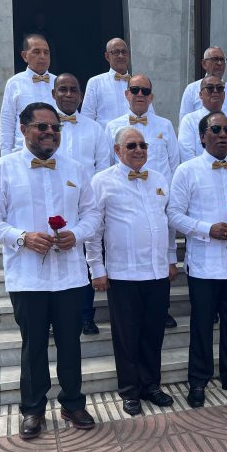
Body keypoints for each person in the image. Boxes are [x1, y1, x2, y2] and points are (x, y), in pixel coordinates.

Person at [0, 102, 100, 439]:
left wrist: (78, 233)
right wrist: (22, 237)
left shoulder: (76, 169)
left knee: (71, 344)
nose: (49, 133)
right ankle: (33, 409)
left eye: (55, 128)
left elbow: (92, 214)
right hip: (27, 277)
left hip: (70, 276)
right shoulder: (3, 169)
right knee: (33, 346)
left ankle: (73, 402)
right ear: (23, 129)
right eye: (42, 127)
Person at [167, 112, 227, 408]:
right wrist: (206, 229)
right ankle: (198, 380)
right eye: (216, 129)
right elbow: (173, 215)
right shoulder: (187, 171)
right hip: (205, 265)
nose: (223, 134)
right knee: (202, 324)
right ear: (202, 136)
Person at [86, 127, 177, 416]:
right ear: (117, 151)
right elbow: (93, 230)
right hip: (123, 274)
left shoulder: (160, 179)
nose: (139, 150)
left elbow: (168, 224)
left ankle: (151, 385)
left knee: (153, 334)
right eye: (131, 145)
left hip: (157, 273)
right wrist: (96, 268)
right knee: (126, 336)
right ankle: (129, 391)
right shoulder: (102, 181)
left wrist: (171, 259)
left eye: (143, 145)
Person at [105, 74, 181, 328]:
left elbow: (174, 163)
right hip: (124, 199)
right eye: (134, 90)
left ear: (151, 96)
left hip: (158, 196)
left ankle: (164, 309)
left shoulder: (165, 125)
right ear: (126, 93)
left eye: (145, 91)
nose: (140, 94)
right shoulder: (112, 126)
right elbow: (106, 165)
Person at [51, 73, 110, 335]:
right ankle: (53, 318)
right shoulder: (46, 128)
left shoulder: (94, 128)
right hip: (54, 202)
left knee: (87, 259)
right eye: (62, 89)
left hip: (85, 203)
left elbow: (103, 166)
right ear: (54, 94)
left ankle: (86, 315)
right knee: (53, 257)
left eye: (73, 90)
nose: (68, 94)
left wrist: (92, 200)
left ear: (81, 95)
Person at [178, 76, 227, 172]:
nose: (215, 91)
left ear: (224, 94)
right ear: (200, 94)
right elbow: (187, 155)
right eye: (210, 88)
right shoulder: (189, 121)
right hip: (202, 179)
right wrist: (210, 175)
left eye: (220, 88)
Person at [0, 35, 55, 156]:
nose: (42, 56)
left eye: (46, 52)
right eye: (36, 52)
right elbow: (7, 123)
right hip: (22, 153)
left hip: (54, 153)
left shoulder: (59, 84)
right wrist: (6, 157)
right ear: (25, 56)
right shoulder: (14, 83)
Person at [179, 46, 227, 122]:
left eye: (222, 60)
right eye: (215, 59)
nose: (220, 63)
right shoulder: (191, 89)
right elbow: (183, 121)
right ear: (204, 64)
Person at [80, 38, 135, 129]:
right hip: (105, 141)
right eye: (116, 52)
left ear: (128, 55)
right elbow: (87, 118)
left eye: (124, 52)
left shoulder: (138, 84)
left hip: (134, 141)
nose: (121, 56)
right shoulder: (95, 82)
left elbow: (148, 115)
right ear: (107, 56)